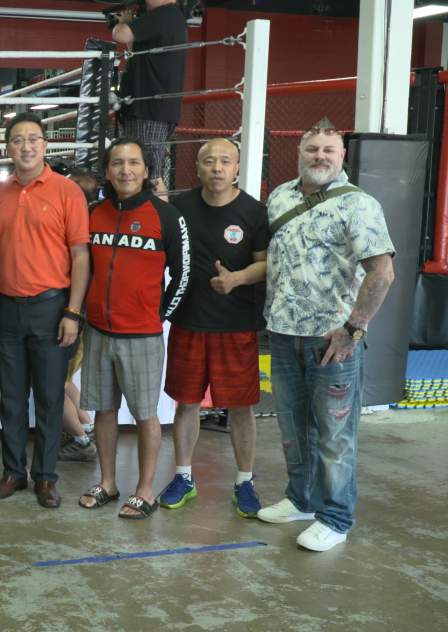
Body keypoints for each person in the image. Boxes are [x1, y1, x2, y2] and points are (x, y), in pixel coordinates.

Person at [256, 120, 395, 552]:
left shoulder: (360, 205)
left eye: (328, 151)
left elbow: (382, 271)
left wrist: (354, 328)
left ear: (342, 157)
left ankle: (336, 517)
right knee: (293, 428)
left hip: (333, 341)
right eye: (312, 149)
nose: (319, 156)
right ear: (299, 152)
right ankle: (301, 500)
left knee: (335, 434)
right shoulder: (280, 197)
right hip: (282, 334)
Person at [78, 137, 191, 519]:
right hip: (98, 330)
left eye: (133, 163)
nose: (125, 170)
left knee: (146, 415)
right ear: (107, 171)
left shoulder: (167, 216)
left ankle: (145, 489)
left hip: (142, 334)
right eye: (117, 163)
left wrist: (159, 315)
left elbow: (184, 274)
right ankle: (108, 482)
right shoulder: (93, 213)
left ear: (146, 170)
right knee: (104, 412)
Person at [155, 138, 268, 518]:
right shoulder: (180, 207)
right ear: (197, 168)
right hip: (189, 321)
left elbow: (266, 263)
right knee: (185, 403)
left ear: (237, 168)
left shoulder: (254, 212)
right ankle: (184, 477)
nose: (217, 168)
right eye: (208, 161)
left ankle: (245, 482)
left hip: (236, 324)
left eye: (225, 161)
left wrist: (237, 279)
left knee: (240, 407)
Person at [0, 112, 91, 509]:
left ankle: (45, 477)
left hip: (52, 309)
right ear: (8, 148)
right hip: (7, 309)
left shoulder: (67, 192)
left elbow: (80, 256)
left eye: (33, 139)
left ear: (45, 145)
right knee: (11, 397)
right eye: (17, 140)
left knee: (48, 398)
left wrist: (73, 312)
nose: (26, 146)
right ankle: (14, 472)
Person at [111, 0, 187, 195]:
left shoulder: (164, 14)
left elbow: (120, 34)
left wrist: (122, 23)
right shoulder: (169, 17)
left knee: (151, 173)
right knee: (143, 169)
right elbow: (134, 46)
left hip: (150, 108)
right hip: (148, 107)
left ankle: (162, 223)